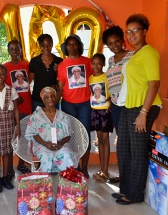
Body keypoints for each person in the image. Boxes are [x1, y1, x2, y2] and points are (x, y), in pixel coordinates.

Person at [113, 14, 162, 205]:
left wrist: (144, 113)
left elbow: (154, 84)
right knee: (124, 149)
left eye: (135, 30)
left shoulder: (149, 52)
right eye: (128, 31)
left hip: (142, 108)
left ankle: (135, 194)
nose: (131, 34)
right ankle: (126, 188)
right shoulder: (134, 54)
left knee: (137, 152)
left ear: (145, 32)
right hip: (128, 106)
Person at [57, 34, 92, 179]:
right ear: (66, 47)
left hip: (85, 104)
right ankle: (74, 166)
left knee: (85, 136)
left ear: (79, 45)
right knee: (71, 136)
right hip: (68, 104)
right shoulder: (62, 65)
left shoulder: (88, 62)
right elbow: (60, 86)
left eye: (75, 44)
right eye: (69, 44)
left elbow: (96, 80)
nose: (72, 47)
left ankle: (84, 168)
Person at [102, 25, 134, 184]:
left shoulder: (132, 56)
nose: (114, 45)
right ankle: (123, 174)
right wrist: (109, 100)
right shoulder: (110, 60)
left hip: (128, 103)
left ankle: (128, 176)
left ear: (122, 41)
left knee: (128, 140)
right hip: (115, 104)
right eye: (110, 44)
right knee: (121, 139)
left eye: (116, 42)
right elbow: (111, 82)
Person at [25, 87, 78, 172]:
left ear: (56, 97)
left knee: (66, 155)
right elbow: (34, 134)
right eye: (47, 97)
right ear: (43, 100)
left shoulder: (63, 115)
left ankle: (66, 182)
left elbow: (68, 135)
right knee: (45, 157)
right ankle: (45, 183)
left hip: (60, 145)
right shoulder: (37, 115)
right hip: (42, 145)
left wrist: (61, 143)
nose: (50, 99)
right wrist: (46, 144)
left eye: (52, 96)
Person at [0, 64, 21, 193]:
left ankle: (6, 177)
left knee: (6, 151)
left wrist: (17, 127)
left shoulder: (11, 90)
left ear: (6, 75)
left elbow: (16, 110)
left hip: (8, 123)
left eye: (2, 74)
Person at [3, 40, 32, 177]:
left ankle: (21, 164)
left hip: (26, 106)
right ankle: (8, 168)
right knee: (10, 137)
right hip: (10, 108)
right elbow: (2, 88)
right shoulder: (5, 67)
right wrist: (12, 99)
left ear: (21, 50)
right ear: (9, 51)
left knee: (24, 137)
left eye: (17, 49)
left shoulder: (26, 66)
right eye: (12, 49)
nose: (15, 52)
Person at [89, 53, 114, 182]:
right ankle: (101, 169)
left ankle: (106, 170)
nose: (96, 66)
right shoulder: (90, 79)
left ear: (103, 64)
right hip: (95, 112)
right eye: (94, 63)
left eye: (99, 63)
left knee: (105, 140)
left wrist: (110, 100)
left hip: (106, 111)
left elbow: (113, 91)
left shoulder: (107, 77)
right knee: (99, 140)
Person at [29, 34, 63, 111]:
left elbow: (62, 81)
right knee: (38, 122)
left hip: (53, 99)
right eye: (43, 45)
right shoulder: (34, 61)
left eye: (49, 45)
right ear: (39, 46)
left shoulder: (59, 61)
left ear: (52, 45)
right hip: (38, 100)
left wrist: (57, 96)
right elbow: (30, 80)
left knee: (54, 122)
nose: (46, 48)